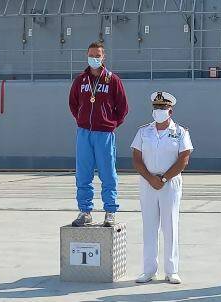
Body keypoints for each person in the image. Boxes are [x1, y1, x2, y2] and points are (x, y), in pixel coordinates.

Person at [131, 92, 193, 284]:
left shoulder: (181, 132)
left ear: (170, 111)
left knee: (170, 226)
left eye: (162, 108)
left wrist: (164, 178)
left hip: (170, 183)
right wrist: (151, 178)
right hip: (148, 183)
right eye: (156, 108)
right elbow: (136, 158)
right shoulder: (143, 132)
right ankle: (148, 270)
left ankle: (172, 270)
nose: (159, 111)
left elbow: (184, 159)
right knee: (149, 226)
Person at [68, 41, 129, 227]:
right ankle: (85, 211)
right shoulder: (80, 80)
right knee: (83, 174)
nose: (94, 58)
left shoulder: (113, 80)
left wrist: (110, 124)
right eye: (91, 55)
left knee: (108, 173)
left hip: (104, 134)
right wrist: (82, 120)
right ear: (87, 56)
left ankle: (110, 211)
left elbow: (123, 108)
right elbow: (73, 104)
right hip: (84, 133)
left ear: (104, 57)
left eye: (97, 55)